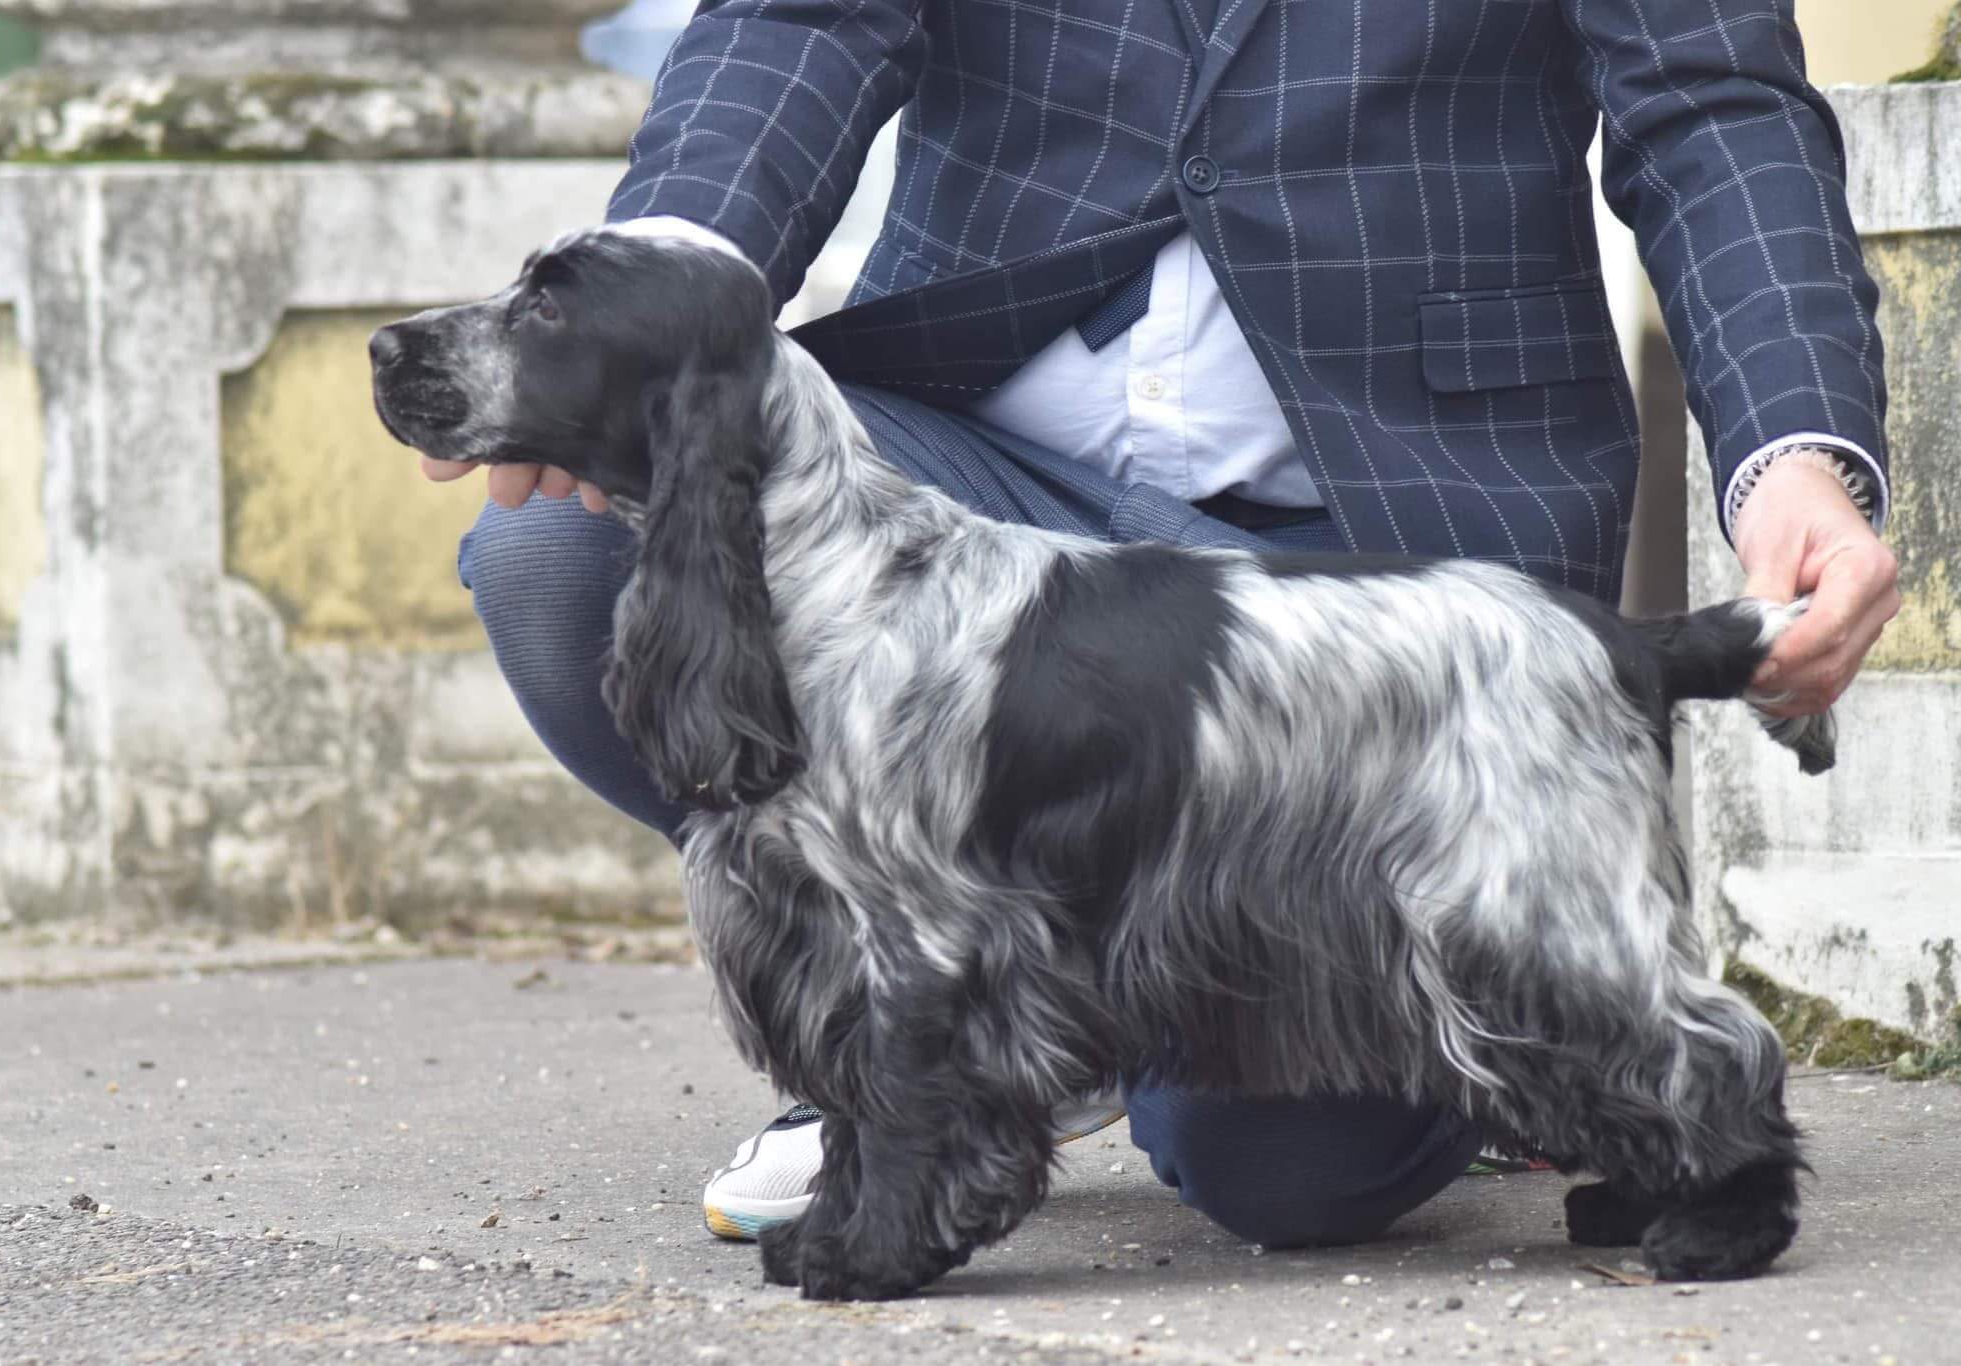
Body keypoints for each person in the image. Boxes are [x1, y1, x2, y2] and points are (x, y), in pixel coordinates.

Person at [423, 0, 1899, 1250]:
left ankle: (1042, 1025)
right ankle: (915, 1043)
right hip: (965, 452)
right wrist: (637, 315)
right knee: (567, 553)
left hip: (1372, 520)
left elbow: (1710, 99)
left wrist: (1794, 458)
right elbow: (802, 17)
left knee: (1288, 1175)